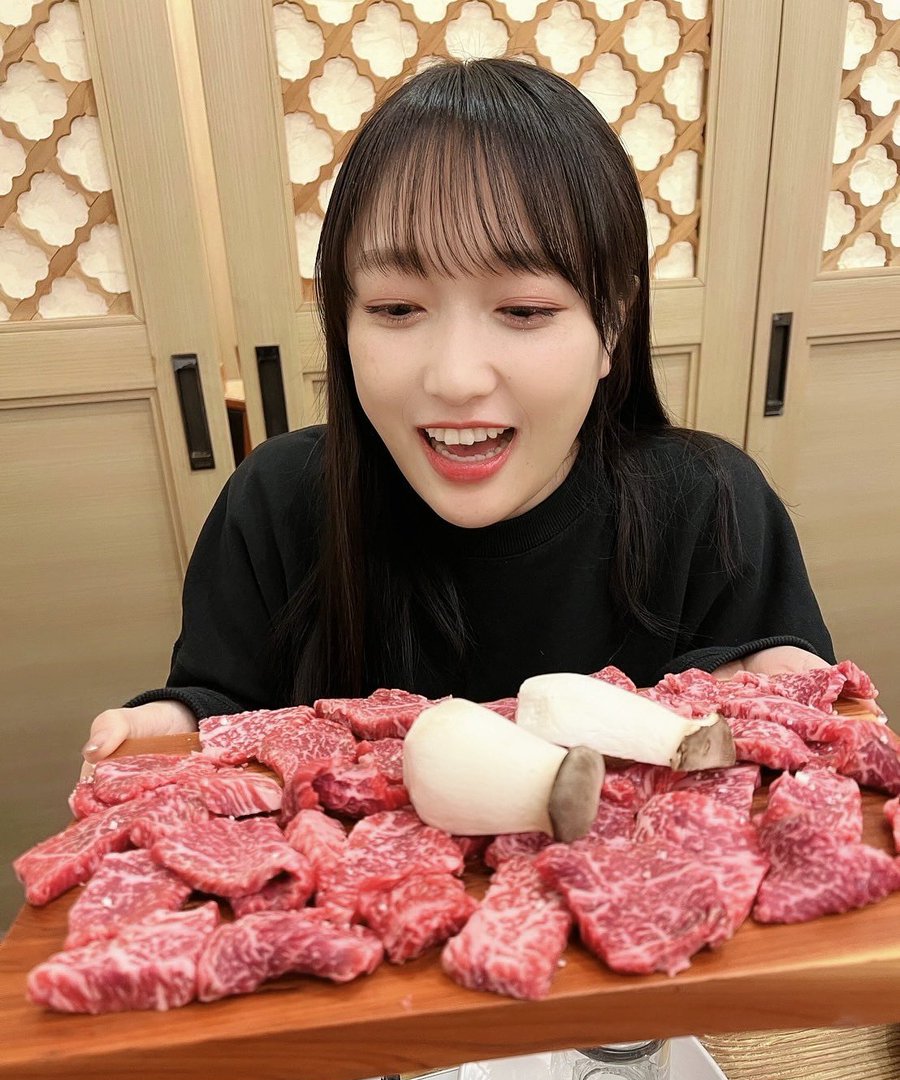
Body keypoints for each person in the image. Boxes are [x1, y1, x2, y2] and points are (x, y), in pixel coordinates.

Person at [82, 57, 835, 767]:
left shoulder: (710, 506)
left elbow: (784, 741)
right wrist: (172, 725)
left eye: (524, 310)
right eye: (397, 308)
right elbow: (223, 709)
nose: (456, 378)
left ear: (612, 323)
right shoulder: (278, 502)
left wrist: (784, 691)